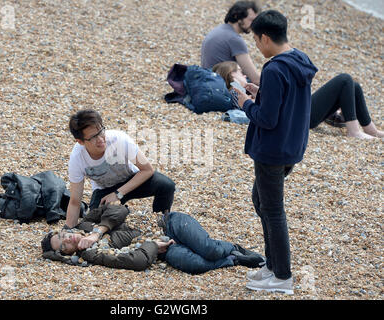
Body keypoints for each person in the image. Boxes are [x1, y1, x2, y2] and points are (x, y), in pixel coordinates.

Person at [234, 10, 318, 294]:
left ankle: (282, 276)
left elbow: (266, 119)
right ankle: (272, 264)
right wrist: (262, 92)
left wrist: (245, 102)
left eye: (257, 41)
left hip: (271, 151)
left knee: (272, 209)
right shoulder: (300, 60)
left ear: (266, 38)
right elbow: (287, 101)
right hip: (291, 146)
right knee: (261, 201)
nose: (257, 46)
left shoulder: (274, 68)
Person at [41, 204, 265, 274]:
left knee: (210, 249)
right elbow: (136, 261)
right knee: (195, 265)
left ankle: (232, 248)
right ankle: (234, 259)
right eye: (62, 245)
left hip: (169, 223)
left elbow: (120, 210)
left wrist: (97, 231)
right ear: (67, 253)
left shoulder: (86, 223)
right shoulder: (91, 255)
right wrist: (152, 246)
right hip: (163, 249)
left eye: (62, 235)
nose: (67, 239)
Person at [65, 109, 176, 229]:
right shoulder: (77, 158)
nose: (101, 139)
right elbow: (75, 202)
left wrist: (118, 194)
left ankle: (162, 224)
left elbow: (147, 169)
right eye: (93, 137)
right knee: (96, 223)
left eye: (101, 131)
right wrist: (68, 230)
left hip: (132, 179)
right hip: (104, 190)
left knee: (166, 185)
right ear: (80, 141)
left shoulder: (119, 139)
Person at [201, 1, 261, 85]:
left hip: (208, 83)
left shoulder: (218, 30)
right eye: (251, 20)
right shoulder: (234, 39)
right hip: (224, 88)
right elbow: (255, 79)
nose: (254, 24)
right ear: (237, 17)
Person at [310, 73, 383, 139]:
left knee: (355, 87)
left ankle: (372, 131)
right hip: (301, 116)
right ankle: (354, 131)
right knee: (345, 80)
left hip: (303, 108)